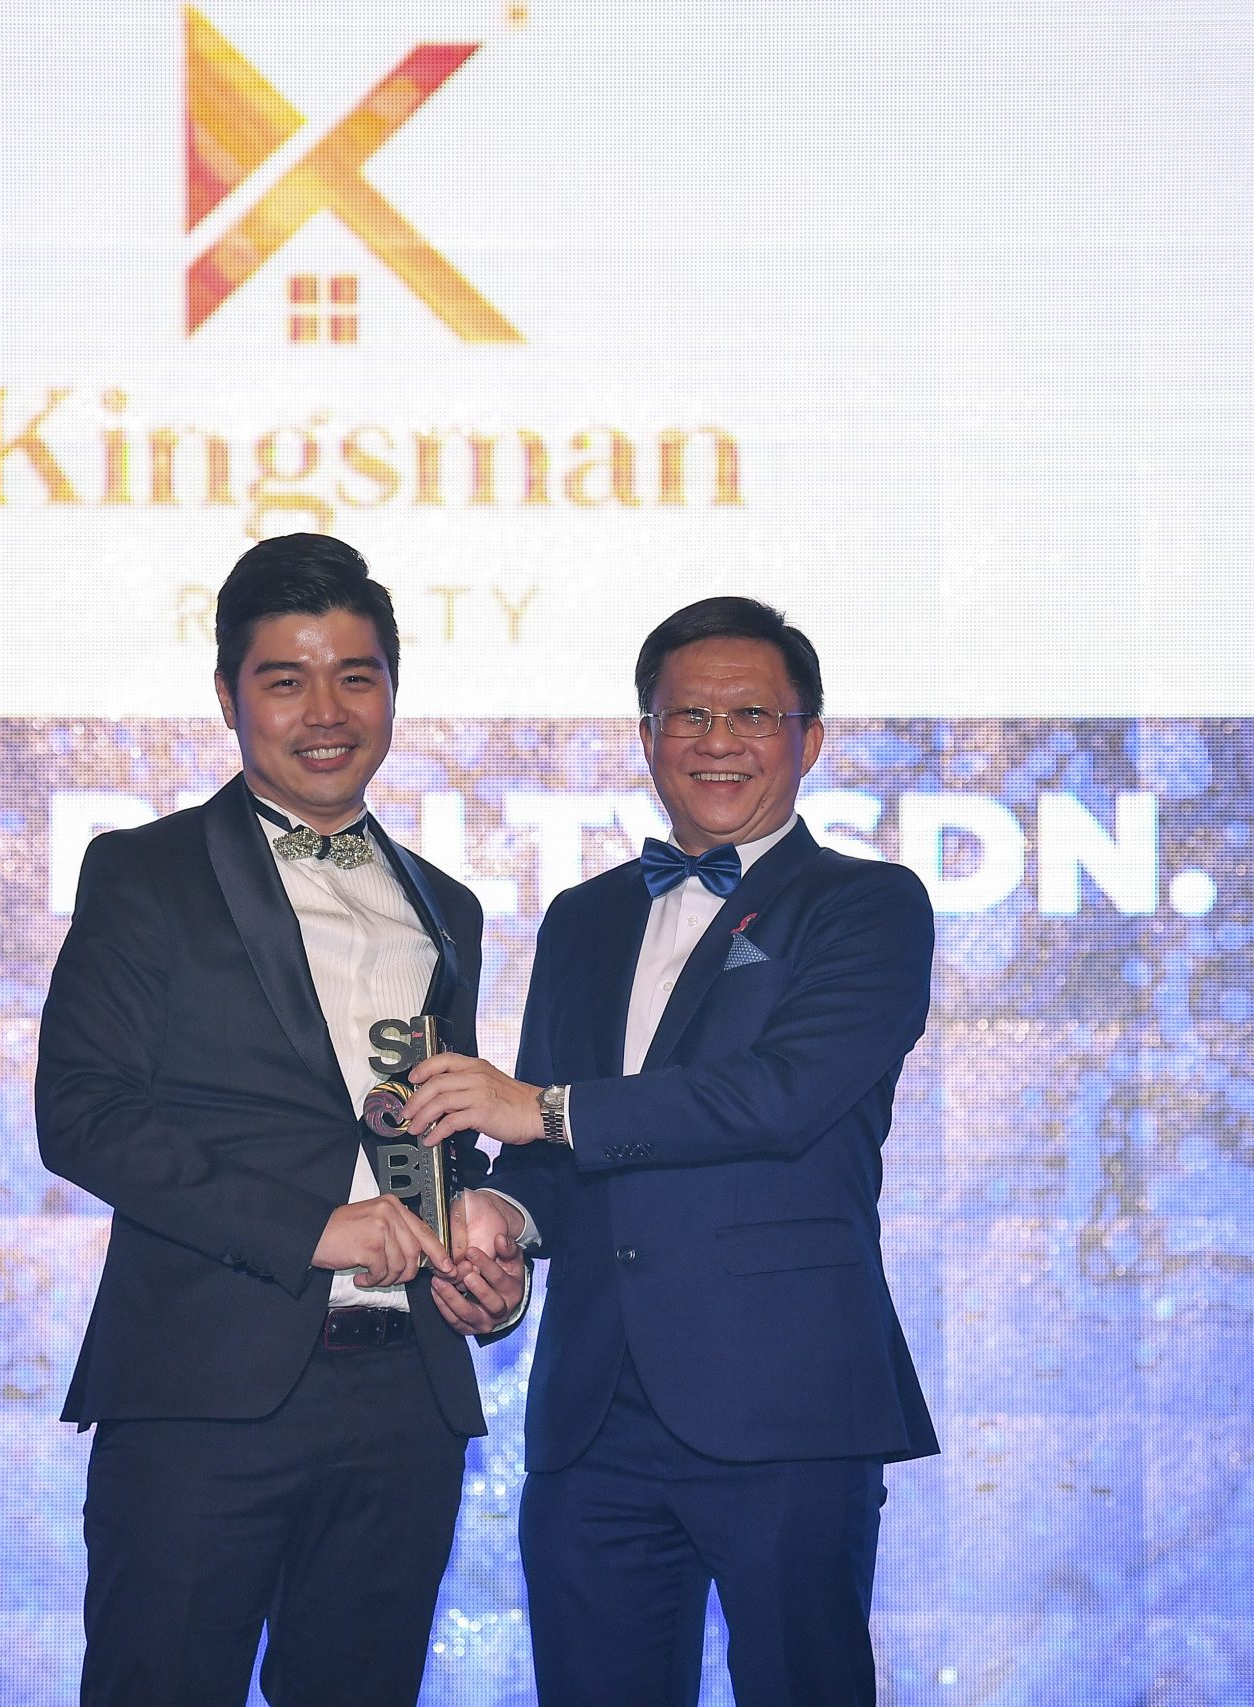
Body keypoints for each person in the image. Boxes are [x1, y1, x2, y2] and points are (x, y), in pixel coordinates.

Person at [400, 594, 938, 1707]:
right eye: (688, 715)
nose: (717, 740)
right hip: (595, 1411)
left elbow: (778, 1098)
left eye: (752, 714)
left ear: (809, 739)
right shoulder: (583, 917)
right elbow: (548, 1149)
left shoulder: (869, 905)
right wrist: (503, 1221)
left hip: (786, 1403)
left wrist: (539, 1112)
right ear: (647, 737)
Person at [35, 533, 529, 1707]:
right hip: (203, 1391)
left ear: (393, 691)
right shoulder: (145, 872)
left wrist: (488, 1255)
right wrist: (313, 1227)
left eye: (356, 676)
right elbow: (83, 1112)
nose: (325, 711)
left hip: (402, 1399)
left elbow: (428, 1132)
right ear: (227, 695)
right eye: (285, 679)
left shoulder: (444, 905)